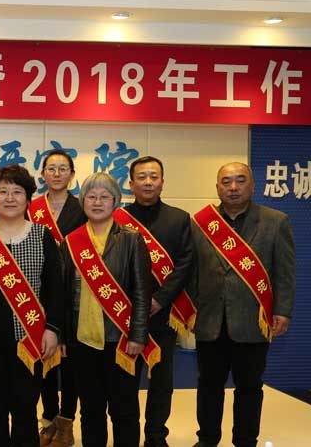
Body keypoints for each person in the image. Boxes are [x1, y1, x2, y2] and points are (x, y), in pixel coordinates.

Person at [0, 164, 63, 447]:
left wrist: (52, 329)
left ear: (28, 198)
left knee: (25, 408)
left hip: (30, 336)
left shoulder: (42, 236)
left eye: (17, 192)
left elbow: (55, 288)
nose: (10, 198)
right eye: (3, 191)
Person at [191, 162, 295, 447]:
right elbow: (191, 271)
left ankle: (246, 440)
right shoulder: (201, 223)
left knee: (249, 387)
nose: (233, 187)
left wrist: (283, 310)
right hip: (210, 321)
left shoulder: (275, 221)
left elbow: (284, 272)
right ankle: (207, 439)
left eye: (240, 180)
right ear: (217, 187)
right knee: (208, 386)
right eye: (226, 182)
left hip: (253, 321)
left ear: (252, 185)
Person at [60, 172, 159, 447]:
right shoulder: (71, 242)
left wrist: (138, 335)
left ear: (115, 202)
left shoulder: (131, 239)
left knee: (123, 409)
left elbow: (142, 292)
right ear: (83, 201)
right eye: (91, 196)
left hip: (121, 338)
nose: (97, 202)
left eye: (104, 197)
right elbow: (63, 295)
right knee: (90, 409)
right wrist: (64, 337)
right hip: (82, 339)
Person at [118, 156, 195, 447]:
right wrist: (135, 303)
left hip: (164, 314)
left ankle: (156, 435)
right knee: (126, 379)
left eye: (154, 176)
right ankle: (128, 435)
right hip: (126, 315)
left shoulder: (179, 218)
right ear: (131, 183)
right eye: (142, 177)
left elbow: (186, 263)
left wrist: (160, 299)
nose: (148, 182)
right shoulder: (117, 220)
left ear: (162, 182)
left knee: (161, 382)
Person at [28, 149, 85, 447]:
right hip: (41, 292)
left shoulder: (83, 207)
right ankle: (48, 419)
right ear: (43, 175)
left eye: (64, 168)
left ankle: (66, 422)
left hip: (76, 293)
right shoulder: (31, 208)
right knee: (45, 358)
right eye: (51, 168)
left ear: (72, 175)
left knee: (70, 361)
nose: (57, 173)